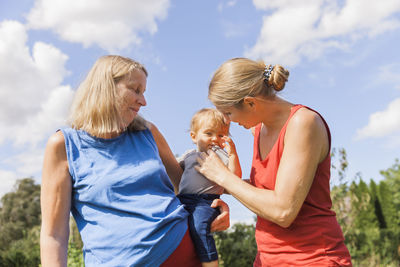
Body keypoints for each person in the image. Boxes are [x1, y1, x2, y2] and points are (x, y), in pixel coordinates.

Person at [40, 55, 230, 267]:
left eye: (144, 92)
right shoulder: (64, 146)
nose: (143, 101)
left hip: (185, 253)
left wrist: (214, 206)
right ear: (107, 88)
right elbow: (53, 234)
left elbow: (188, 188)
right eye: (135, 90)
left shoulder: (148, 132)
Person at [196, 57, 352, 266]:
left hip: (312, 258)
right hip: (267, 257)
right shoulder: (259, 130)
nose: (226, 121)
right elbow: (266, 192)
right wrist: (215, 188)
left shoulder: (303, 123)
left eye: (228, 112)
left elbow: (283, 211)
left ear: (251, 103)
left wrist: (224, 177)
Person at [177, 108, 242, 267]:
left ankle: (210, 263)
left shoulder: (220, 157)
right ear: (194, 136)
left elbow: (235, 178)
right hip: (183, 200)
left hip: (206, 203)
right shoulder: (188, 155)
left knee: (200, 228)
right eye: (209, 134)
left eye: (220, 135)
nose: (215, 139)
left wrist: (232, 155)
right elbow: (173, 171)